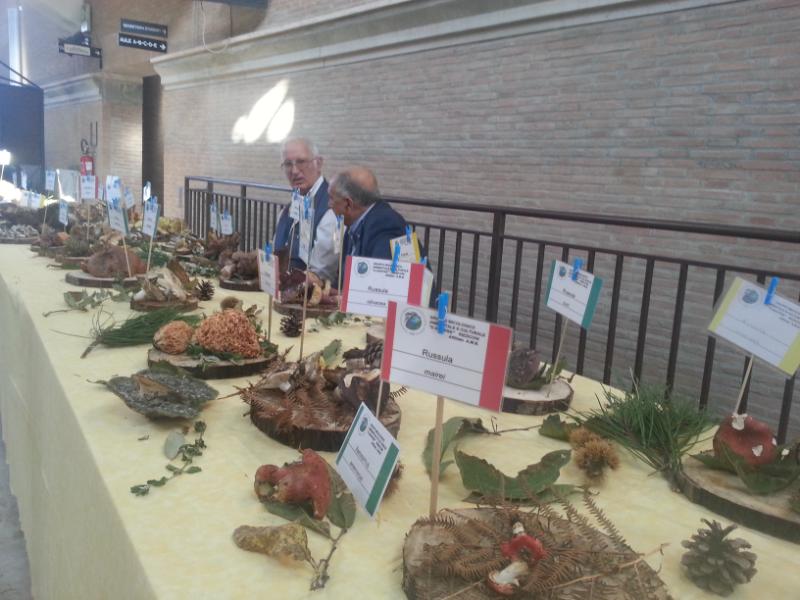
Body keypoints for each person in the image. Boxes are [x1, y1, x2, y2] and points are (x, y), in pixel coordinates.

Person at [272, 138, 339, 284]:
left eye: (301, 162)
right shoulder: (286, 210)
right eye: (288, 164)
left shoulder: (331, 210)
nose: (294, 171)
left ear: (318, 163)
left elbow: (320, 273)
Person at [327, 166, 407, 260]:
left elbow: (382, 268)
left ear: (348, 204)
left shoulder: (386, 227)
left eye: (331, 198)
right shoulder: (354, 222)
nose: (329, 205)